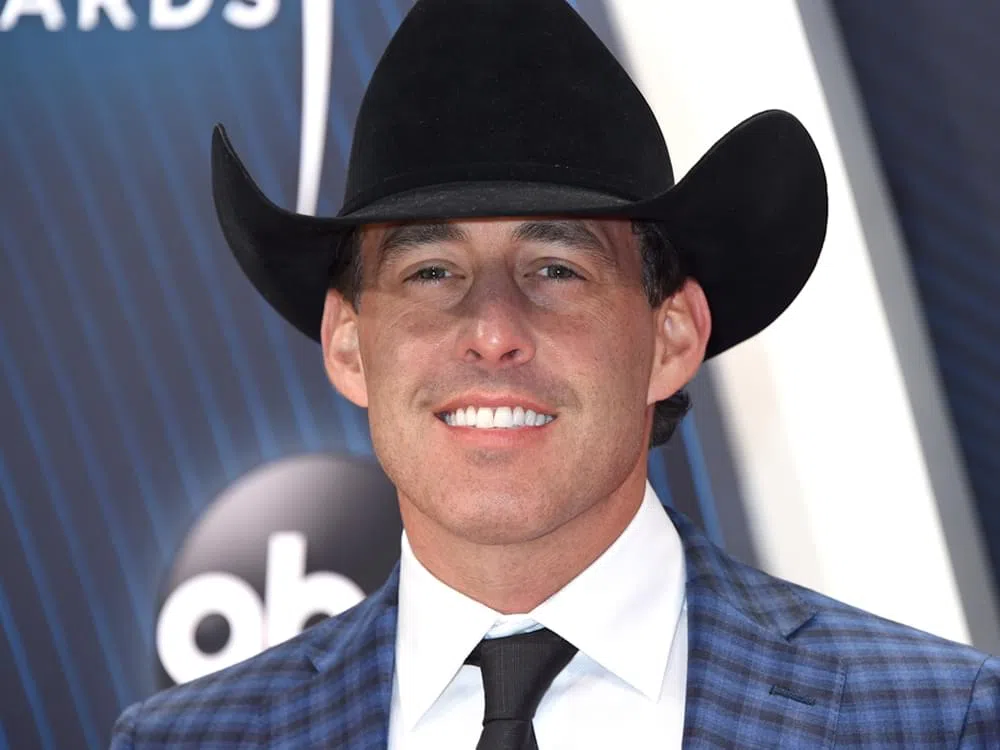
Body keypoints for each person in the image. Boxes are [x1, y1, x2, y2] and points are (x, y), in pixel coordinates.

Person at [111, 0, 1000, 747]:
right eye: (432, 272)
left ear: (671, 337)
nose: (494, 332)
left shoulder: (937, 723)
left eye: (556, 269)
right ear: (347, 345)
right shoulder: (191, 741)